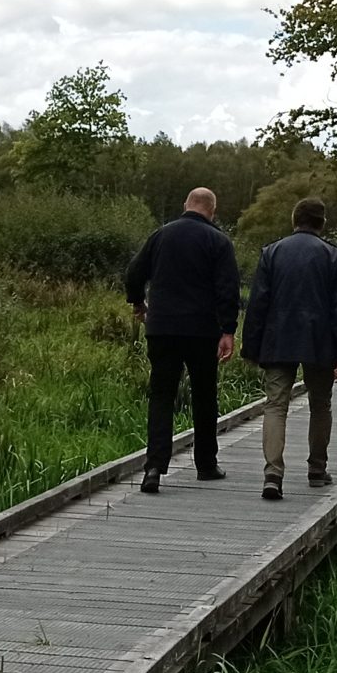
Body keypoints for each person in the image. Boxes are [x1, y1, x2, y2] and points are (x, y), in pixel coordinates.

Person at [123, 186, 241, 494]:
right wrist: (228, 330)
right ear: (212, 211)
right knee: (204, 396)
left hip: (161, 328)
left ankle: (153, 468)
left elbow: (133, 273)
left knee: (161, 395)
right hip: (202, 330)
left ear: (185, 205)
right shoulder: (219, 241)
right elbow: (228, 289)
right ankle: (206, 464)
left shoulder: (161, 235)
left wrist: (138, 302)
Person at [241, 196, 337, 498]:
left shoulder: (272, 252)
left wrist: (251, 347)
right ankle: (317, 468)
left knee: (276, 405)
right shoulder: (333, 256)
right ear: (322, 223)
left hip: (278, 339)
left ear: (294, 219)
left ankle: (273, 474)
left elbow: (258, 304)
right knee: (321, 404)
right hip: (320, 342)